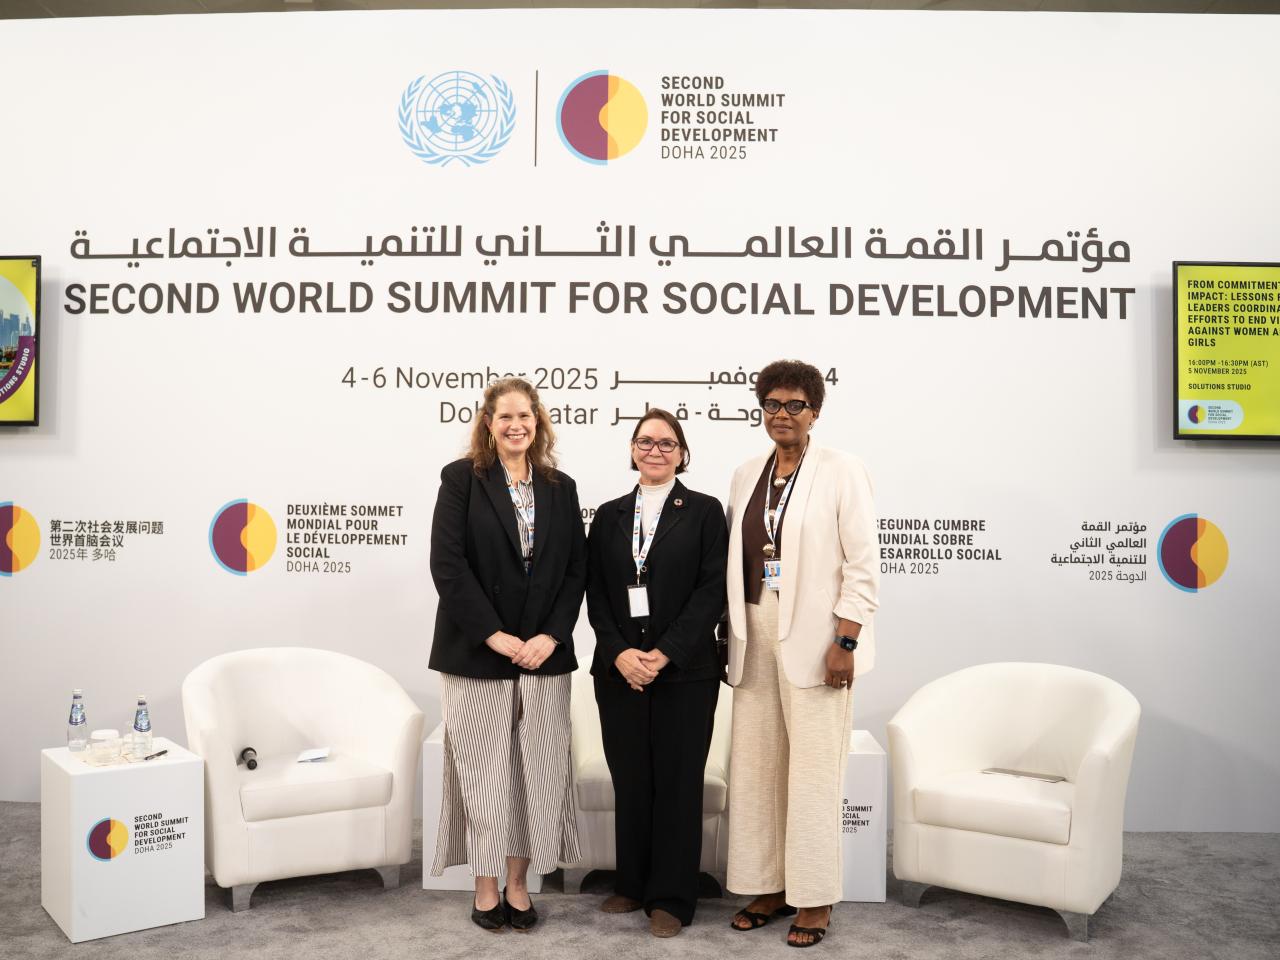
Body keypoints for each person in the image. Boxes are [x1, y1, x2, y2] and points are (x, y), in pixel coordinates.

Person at [723, 359, 880, 948]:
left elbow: (863, 563)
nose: (781, 414)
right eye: (772, 404)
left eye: (794, 405)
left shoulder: (842, 470)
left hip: (819, 639)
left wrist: (846, 640)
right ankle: (767, 886)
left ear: (815, 411)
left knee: (813, 773)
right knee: (759, 769)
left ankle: (813, 898)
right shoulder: (746, 473)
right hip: (754, 632)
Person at [428, 377, 587, 932]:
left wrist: (552, 636)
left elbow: (576, 570)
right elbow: (448, 565)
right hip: (478, 655)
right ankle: (485, 886)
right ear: (489, 424)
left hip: (543, 658)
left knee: (533, 775)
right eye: (505, 417)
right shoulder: (461, 479)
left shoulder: (561, 487)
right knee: (484, 777)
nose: (516, 425)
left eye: (525, 416)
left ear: (537, 422)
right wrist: (492, 634)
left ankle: (518, 886)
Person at [585, 408, 727, 938]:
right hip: (618, 671)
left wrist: (664, 653)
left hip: (685, 672)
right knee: (631, 779)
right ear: (632, 449)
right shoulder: (609, 515)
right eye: (645, 442)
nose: (655, 451)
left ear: (682, 453)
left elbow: (711, 591)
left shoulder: (705, 511)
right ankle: (632, 882)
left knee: (677, 782)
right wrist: (620, 652)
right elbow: (595, 591)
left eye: (667, 443)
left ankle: (671, 897)